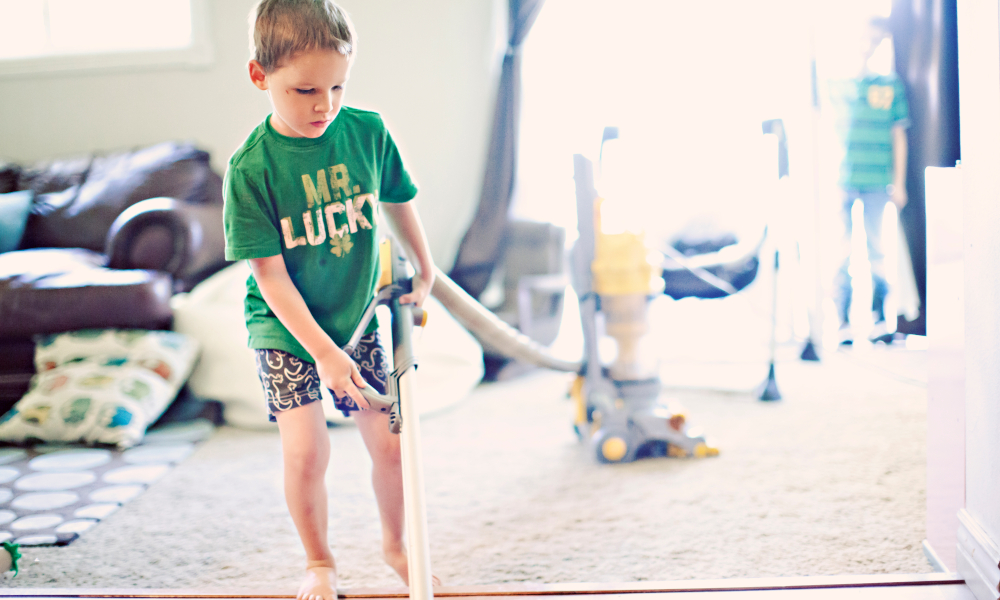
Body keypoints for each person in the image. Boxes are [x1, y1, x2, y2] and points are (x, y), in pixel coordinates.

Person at [222, 1, 437, 597]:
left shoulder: (366, 130)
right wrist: (322, 351)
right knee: (306, 452)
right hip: (286, 327)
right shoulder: (251, 170)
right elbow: (269, 277)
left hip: (360, 313)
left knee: (392, 446)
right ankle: (319, 563)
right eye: (306, 90)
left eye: (338, 86)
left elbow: (397, 196)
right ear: (260, 77)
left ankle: (396, 546)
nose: (325, 105)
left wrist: (426, 265)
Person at [825, 17, 909, 345]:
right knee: (840, 252)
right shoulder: (834, 83)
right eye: (863, 39)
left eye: (874, 41)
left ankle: (878, 320)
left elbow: (898, 135)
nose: (867, 46)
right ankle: (841, 321)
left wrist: (899, 183)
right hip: (841, 179)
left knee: (878, 250)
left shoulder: (890, 85)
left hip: (878, 180)